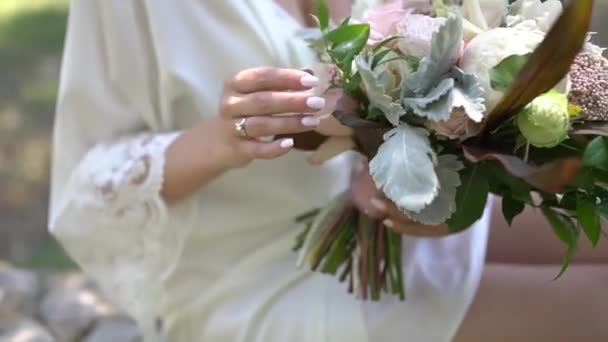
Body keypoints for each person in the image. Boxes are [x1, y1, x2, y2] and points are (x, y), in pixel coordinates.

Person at [49, 1, 492, 341]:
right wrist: (219, 140)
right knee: (562, 306)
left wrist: (399, 166)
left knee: (559, 260)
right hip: (256, 278)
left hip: (387, 231)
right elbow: (83, 190)